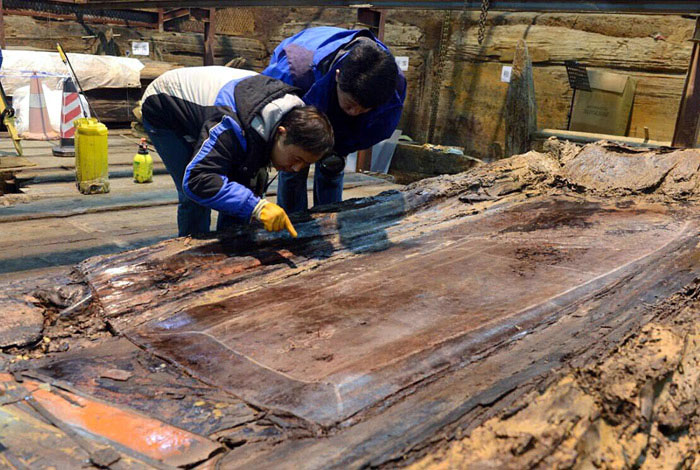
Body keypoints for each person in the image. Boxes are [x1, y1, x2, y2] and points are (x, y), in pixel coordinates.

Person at [141, 66, 334, 238]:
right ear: (281, 133)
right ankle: (191, 251)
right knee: (194, 197)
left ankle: (231, 244)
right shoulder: (231, 123)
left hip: (219, 109)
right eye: (297, 159)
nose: (296, 168)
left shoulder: (291, 117)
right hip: (165, 107)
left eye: (305, 165)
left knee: (244, 185)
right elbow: (198, 180)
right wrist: (256, 206)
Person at [262, 26, 406, 214]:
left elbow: (379, 127)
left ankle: (328, 218)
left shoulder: (391, 86)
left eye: (364, 109)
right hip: (306, 93)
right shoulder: (293, 71)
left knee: (332, 167)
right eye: (350, 104)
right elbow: (264, 111)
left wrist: (339, 151)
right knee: (293, 169)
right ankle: (292, 224)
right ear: (338, 76)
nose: (354, 112)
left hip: (340, 119)